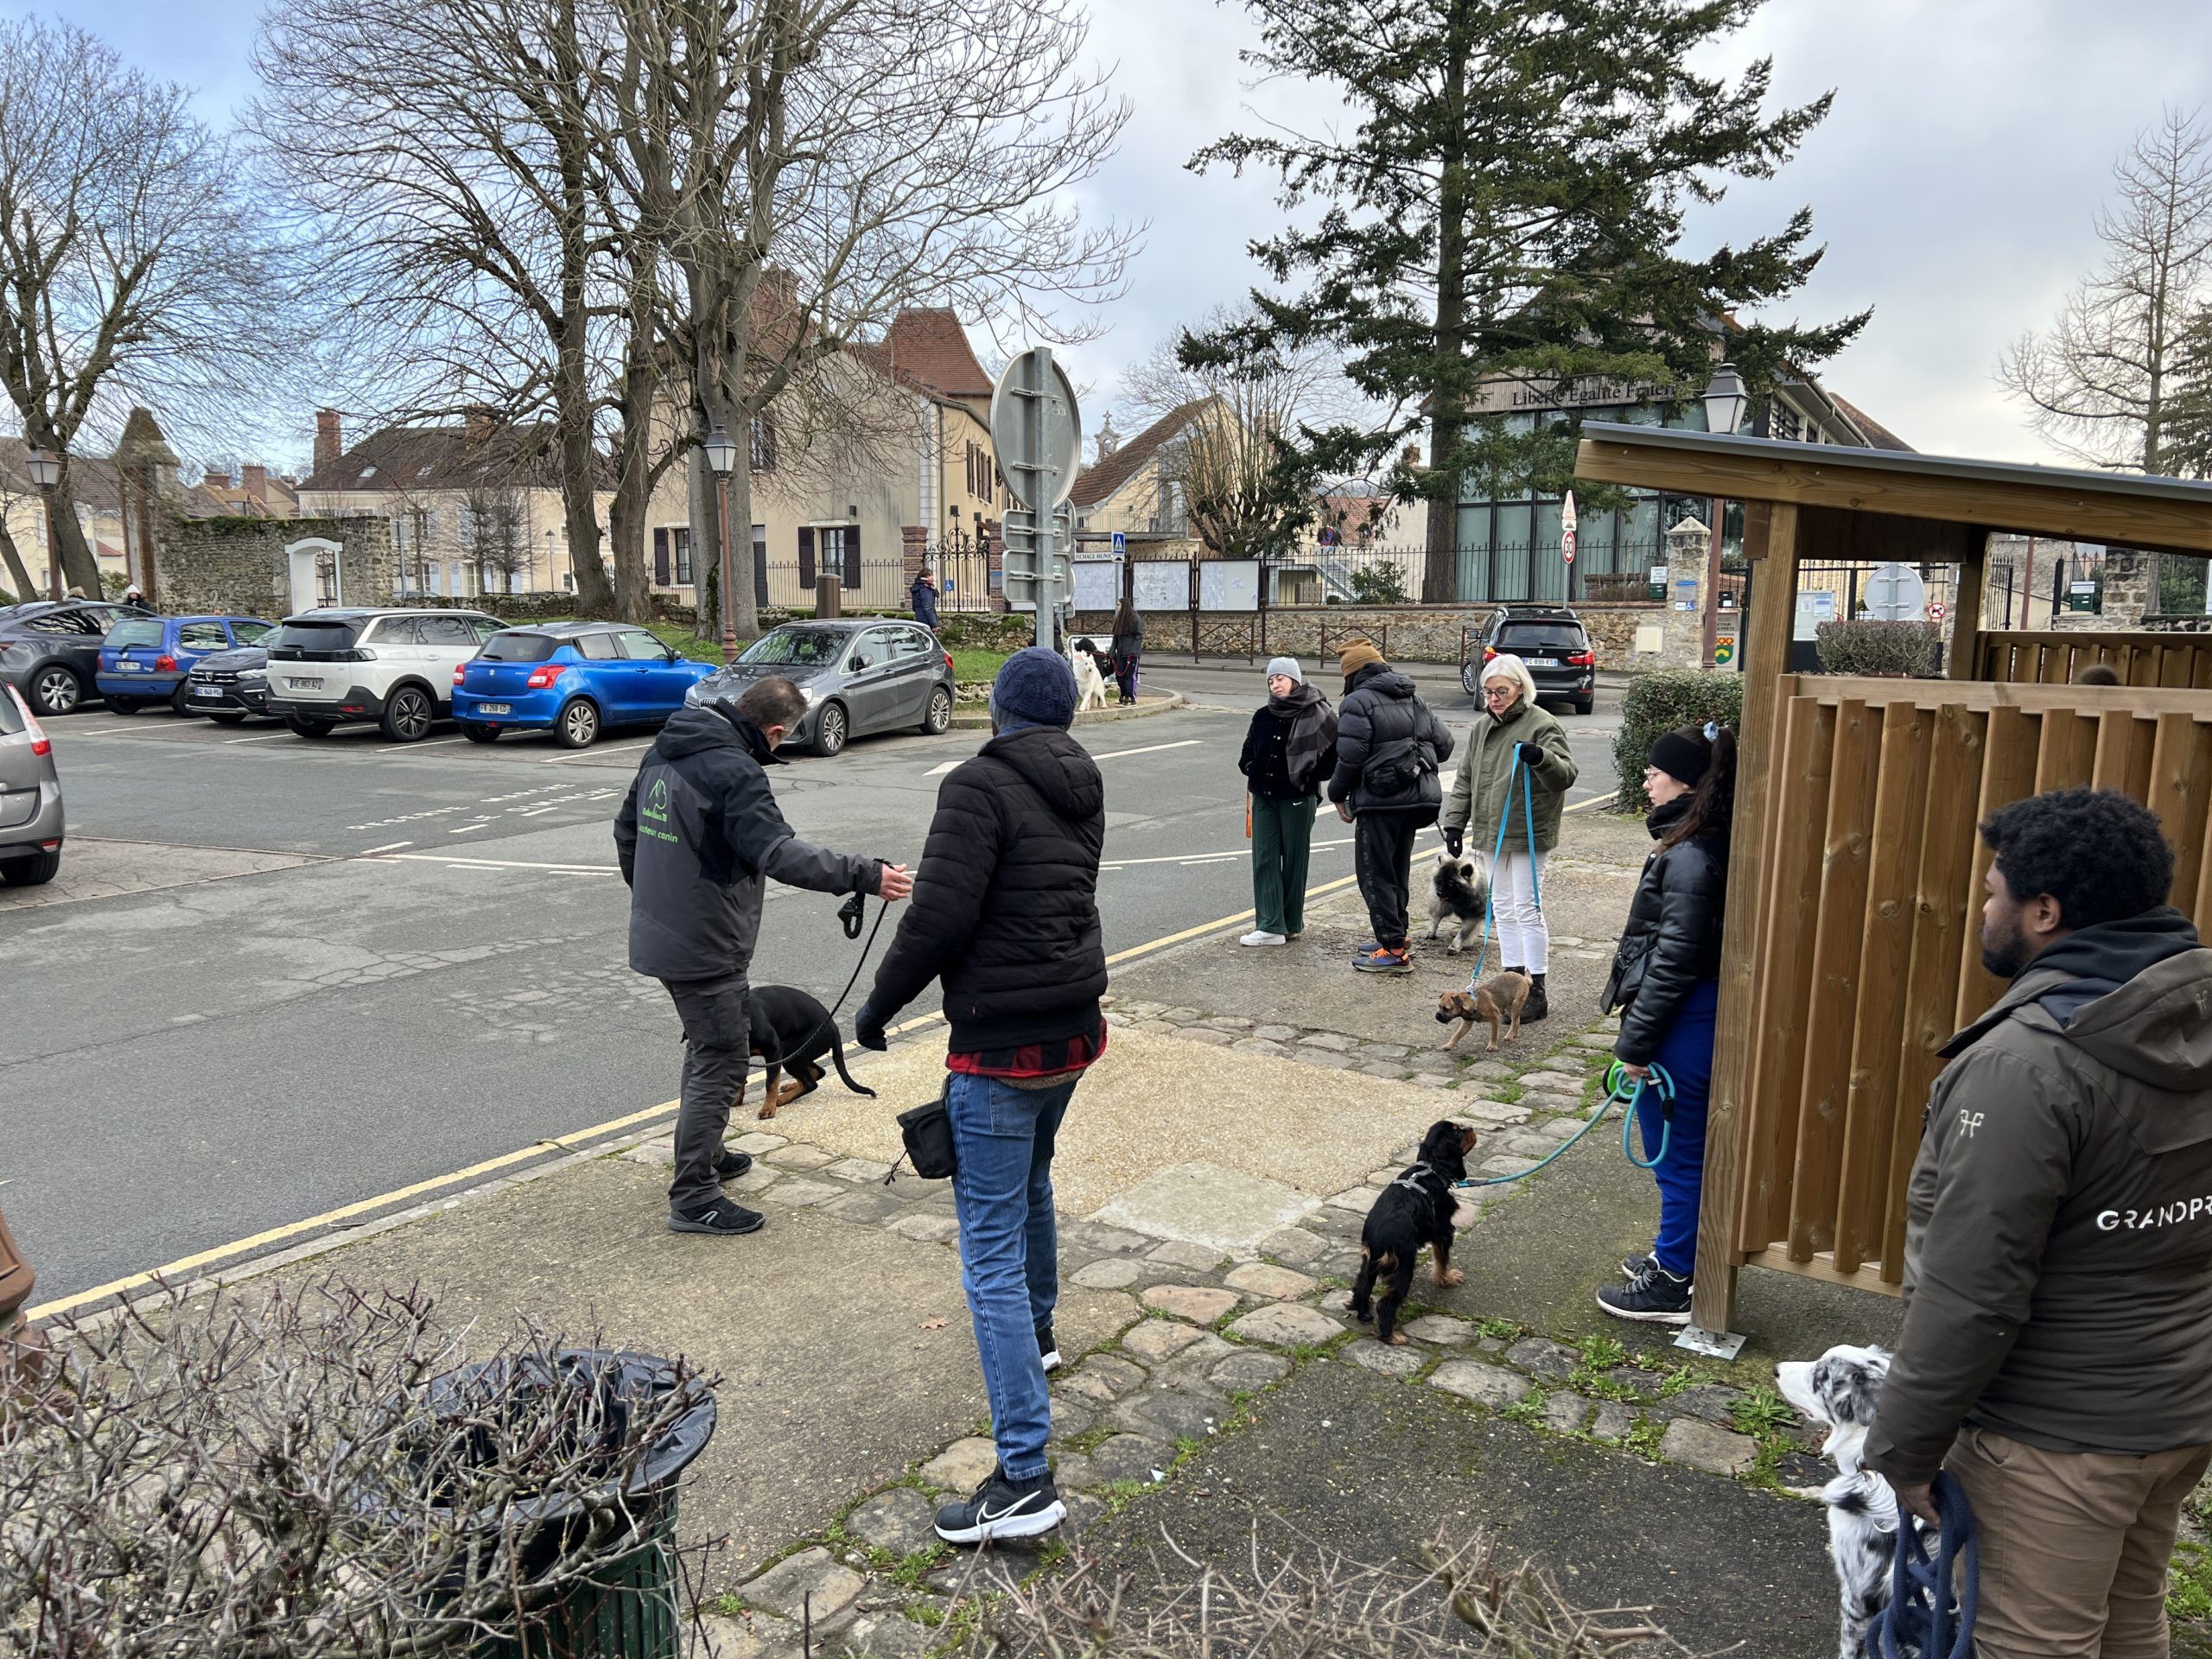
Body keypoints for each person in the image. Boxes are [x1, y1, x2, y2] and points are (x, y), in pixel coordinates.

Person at [1863, 788, 2212, 1657]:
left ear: (2043, 912)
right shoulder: (2195, 1014)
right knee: (2130, 1618)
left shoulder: (2027, 1068)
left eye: (1993, 893)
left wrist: (1903, 1451)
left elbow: (1973, 1291)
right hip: (2179, 1407)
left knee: (2034, 1641)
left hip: (2057, 1435)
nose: (1983, 909)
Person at [853, 648, 1107, 1546]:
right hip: (1073, 1028)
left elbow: (939, 915)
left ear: (996, 709)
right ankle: (1038, 1336)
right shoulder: (1083, 776)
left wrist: (878, 1008)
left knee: (987, 1252)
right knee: (1032, 1183)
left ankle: (1024, 1478)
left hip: (1000, 1044)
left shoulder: (976, 784)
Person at [615, 676, 912, 1237]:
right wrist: (865, 874)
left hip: (667, 931)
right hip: (705, 944)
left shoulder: (667, 747)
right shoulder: (734, 771)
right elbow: (779, 852)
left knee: (708, 1048)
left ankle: (704, 1156)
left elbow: (627, 831)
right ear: (774, 732)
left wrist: (659, 901)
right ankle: (695, 1197)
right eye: (782, 742)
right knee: (721, 1059)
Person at [1594, 721, 1735, 1324]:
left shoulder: (1689, 854)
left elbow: (1673, 960)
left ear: (1683, 782)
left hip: (1683, 1022)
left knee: (1675, 1155)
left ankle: (1675, 1281)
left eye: (1655, 772)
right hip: (1693, 1015)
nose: (1646, 781)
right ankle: (1675, 1255)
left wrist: (1636, 1045)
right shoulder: (1702, 839)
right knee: (1679, 1152)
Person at [1439, 653, 1577, 1020]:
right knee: (1502, 909)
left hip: (1527, 832)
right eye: (1488, 692)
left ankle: (1537, 991)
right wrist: (1455, 822)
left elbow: (1565, 774)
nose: (1494, 698)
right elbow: (1466, 777)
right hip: (1490, 832)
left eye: (1501, 690)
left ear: (1520, 688)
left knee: (1527, 910)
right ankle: (1513, 982)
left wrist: (1540, 757)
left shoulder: (1542, 723)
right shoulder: (1482, 727)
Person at [1327, 640, 1453, 975]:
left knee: (1374, 874)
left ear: (1352, 674)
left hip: (1379, 802)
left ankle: (1394, 950)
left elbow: (1350, 758)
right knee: (1397, 870)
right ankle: (1397, 937)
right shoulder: (1414, 697)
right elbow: (1445, 746)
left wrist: (1337, 794)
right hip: (1415, 800)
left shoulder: (1357, 702)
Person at [1237, 657, 1337, 947]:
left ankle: (1290, 924)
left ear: (1295, 680)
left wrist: (1306, 776)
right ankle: (1269, 925)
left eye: (1280, 678)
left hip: (1297, 798)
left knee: (1295, 861)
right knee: (1264, 859)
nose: (1275, 684)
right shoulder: (1262, 715)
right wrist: (1253, 769)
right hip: (1264, 797)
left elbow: (1332, 757)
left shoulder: (1319, 713)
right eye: (1270, 680)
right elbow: (1246, 755)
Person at [1109, 598, 1143, 707]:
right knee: (1120, 676)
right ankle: (1123, 695)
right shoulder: (1119, 619)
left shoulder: (1135, 618)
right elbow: (1116, 636)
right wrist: (1112, 651)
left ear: (1124, 606)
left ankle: (1131, 697)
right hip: (1121, 652)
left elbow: (1139, 636)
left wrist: (1134, 651)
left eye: (1118, 605)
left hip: (1131, 653)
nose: (1116, 607)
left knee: (1130, 676)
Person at [910, 564, 940, 628]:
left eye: (931, 575)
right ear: (924, 577)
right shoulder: (925, 589)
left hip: (919, 619)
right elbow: (928, 608)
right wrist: (934, 624)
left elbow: (914, 607)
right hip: (927, 622)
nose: (932, 577)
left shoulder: (917, 587)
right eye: (929, 576)